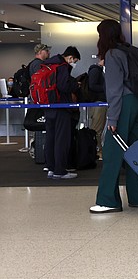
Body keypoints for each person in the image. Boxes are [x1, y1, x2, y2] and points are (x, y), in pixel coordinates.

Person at [90, 19, 138, 214]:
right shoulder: (131, 51)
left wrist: (113, 119)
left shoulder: (112, 54)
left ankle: (108, 201)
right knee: (137, 153)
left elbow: (115, 90)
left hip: (123, 105)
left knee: (112, 153)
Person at [43, 46, 81, 180]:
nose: (74, 63)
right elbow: (63, 86)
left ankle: (51, 168)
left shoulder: (48, 64)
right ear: (70, 57)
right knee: (61, 139)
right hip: (61, 106)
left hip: (48, 105)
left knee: (50, 138)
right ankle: (60, 170)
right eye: (74, 60)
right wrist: (75, 85)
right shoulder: (62, 66)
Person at [88, 58, 107, 160]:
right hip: (98, 103)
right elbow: (92, 86)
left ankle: (97, 150)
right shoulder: (96, 70)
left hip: (100, 102)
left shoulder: (98, 70)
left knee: (98, 128)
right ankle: (97, 151)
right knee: (97, 129)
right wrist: (105, 88)